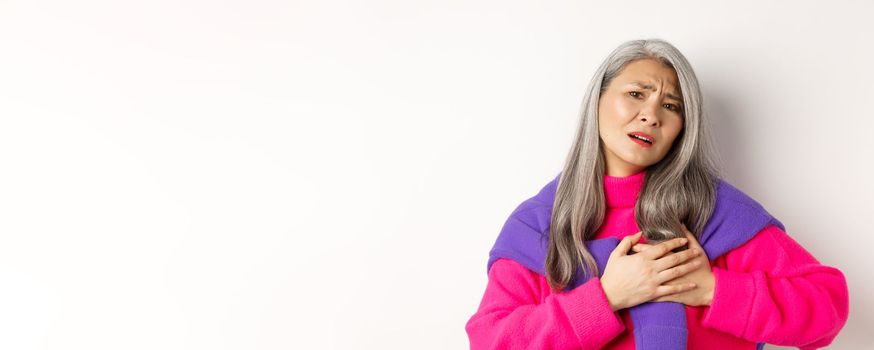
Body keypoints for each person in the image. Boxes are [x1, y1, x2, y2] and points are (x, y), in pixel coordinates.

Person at [464, 38, 849, 349]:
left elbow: (826, 307)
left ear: (683, 127)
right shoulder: (538, 224)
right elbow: (490, 342)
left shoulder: (717, 214)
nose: (652, 114)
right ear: (597, 100)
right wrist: (606, 298)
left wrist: (713, 289)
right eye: (636, 94)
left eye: (670, 105)